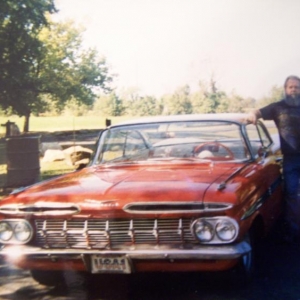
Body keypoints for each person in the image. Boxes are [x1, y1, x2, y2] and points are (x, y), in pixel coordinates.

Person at [247, 75, 300, 243]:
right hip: (290, 158)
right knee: (291, 194)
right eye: (290, 87)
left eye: (296, 87)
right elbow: (258, 112)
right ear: (285, 90)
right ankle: (294, 232)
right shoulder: (278, 107)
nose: (293, 89)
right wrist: (252, 114)